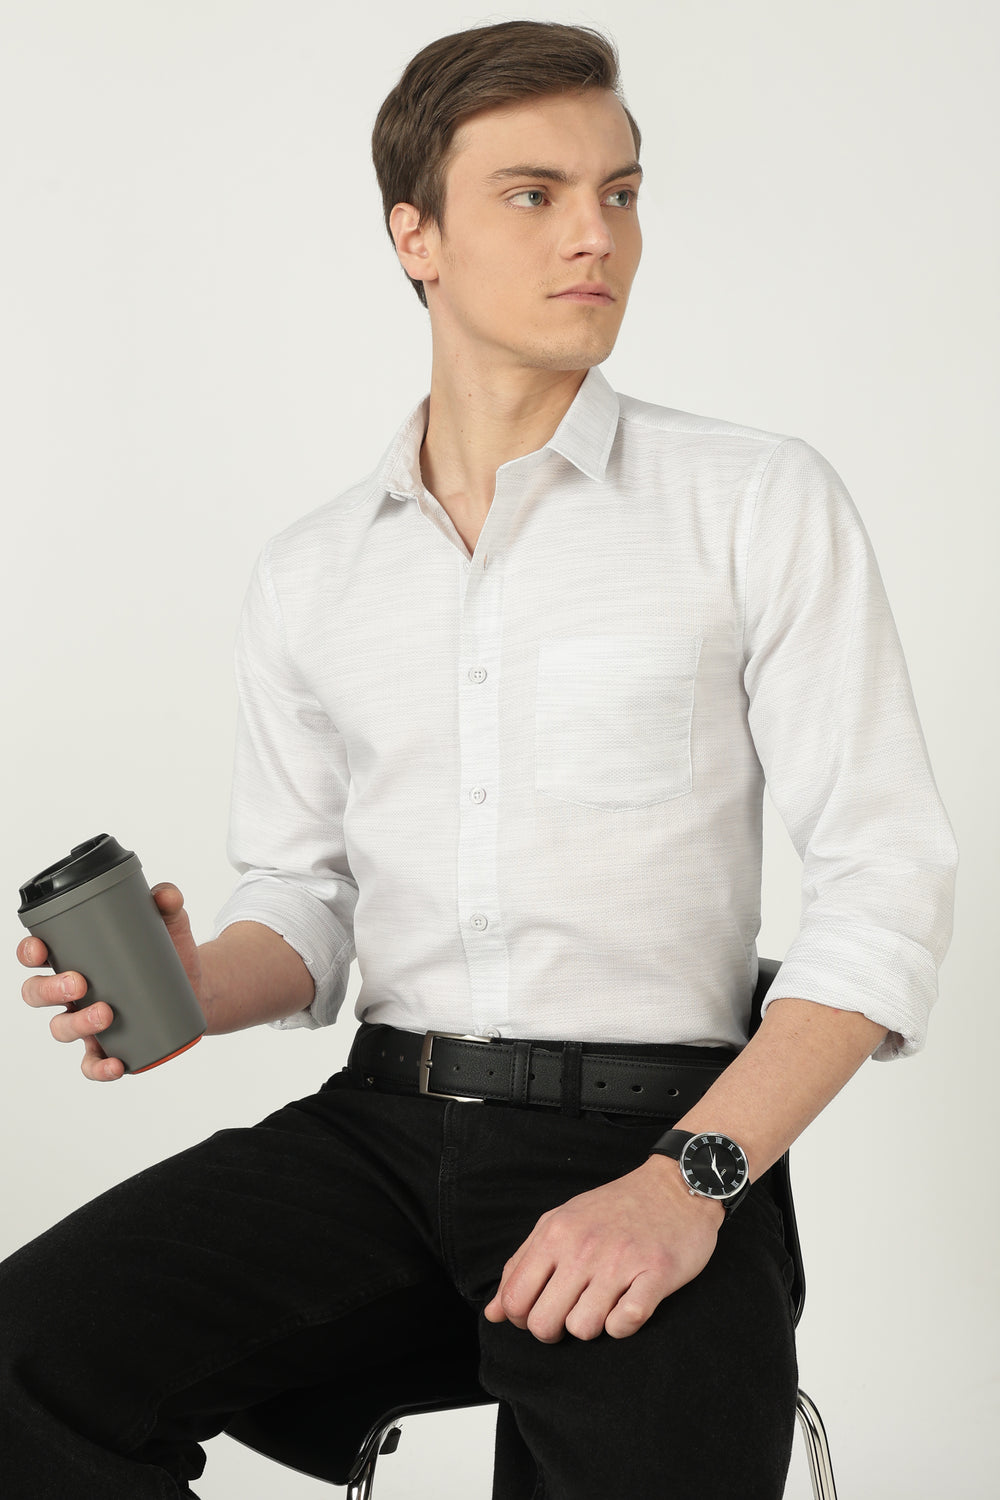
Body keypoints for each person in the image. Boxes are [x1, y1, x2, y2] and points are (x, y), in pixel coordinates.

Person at [3, 20, 956, 1500]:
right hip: (382, 1132)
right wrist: (197, 985)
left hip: (663, 1132)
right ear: (416, 237)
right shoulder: (313, 572)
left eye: (620, 193)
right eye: (534, 194)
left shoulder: (755, 502)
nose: (597, 235)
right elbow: (308, 900)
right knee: (23, 1364)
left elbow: (885, 883)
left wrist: (690, 1182)